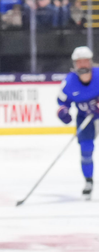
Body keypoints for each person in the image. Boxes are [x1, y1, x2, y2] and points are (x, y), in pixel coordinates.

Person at [58, 45, 98, 199]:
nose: (82, 65)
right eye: (78, 62)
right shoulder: (69, 83)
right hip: (85, 118)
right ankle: (88, 181)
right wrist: (63, 113)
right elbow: (62, 103)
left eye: (85, 61)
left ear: (90, 62)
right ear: (75, 64)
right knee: (86, 150)